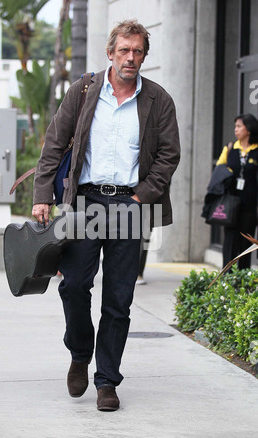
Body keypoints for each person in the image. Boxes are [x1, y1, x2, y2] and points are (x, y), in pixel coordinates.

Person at [32, 19, 180, 411]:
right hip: (85, 202)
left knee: (119, 298)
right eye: (124, 50)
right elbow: (54, 142)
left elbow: (168, 156)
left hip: (130, 204)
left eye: (137, 51)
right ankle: (80, 352)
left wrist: (140, 198)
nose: (130, 57)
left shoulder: (158, 99)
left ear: (144, 55)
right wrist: (42, 195)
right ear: (110, 52)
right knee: (74, 285)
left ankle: (107, 382)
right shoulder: (83, 91)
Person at [216, 113, 258, 269]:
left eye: (239, 126)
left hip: (250, 205)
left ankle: (243, 278)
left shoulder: (256, 150)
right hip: (231, 204)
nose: (236, 130)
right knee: (230, 241)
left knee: (247, 242)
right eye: (235, 126)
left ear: (249, 129)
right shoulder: (230, 148)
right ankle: (227, 276)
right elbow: (219, 171)